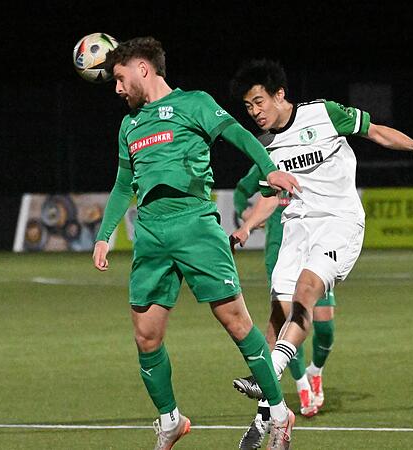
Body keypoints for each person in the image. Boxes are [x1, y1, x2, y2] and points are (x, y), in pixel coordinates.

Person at [92, 38, 301, 450]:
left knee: (237, 323)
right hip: (150, 233)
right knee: (146, 336)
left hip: (195, 225)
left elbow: (239, 135)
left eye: (119, 78)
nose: (116, 88)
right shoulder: (129, 125)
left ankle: (279, 413)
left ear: (142, 69)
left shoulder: (194, 103)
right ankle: (171, 420)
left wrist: (271, 169)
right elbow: (121, 185)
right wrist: (104, 235)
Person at [228, 59, 413, 448]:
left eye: (259, 101)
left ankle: (268, 377)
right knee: (276, 314)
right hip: (296, 229)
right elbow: (272, 198)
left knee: (307, 291)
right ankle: (271, 416)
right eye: (248, 107)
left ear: (279, 94)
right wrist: (244, 228)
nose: (254, 112)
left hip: (339, 222)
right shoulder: (265, 147)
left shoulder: (324, 114)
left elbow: (375, 131)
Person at [233, 165, 336, 419]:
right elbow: (241, 191)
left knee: (325, 327)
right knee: (287, 320)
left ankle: (315, 372)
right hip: (280, 253)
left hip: (315, 248)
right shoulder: (268, 163)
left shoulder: (312, 159)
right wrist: (246, 216)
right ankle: (302, 387)